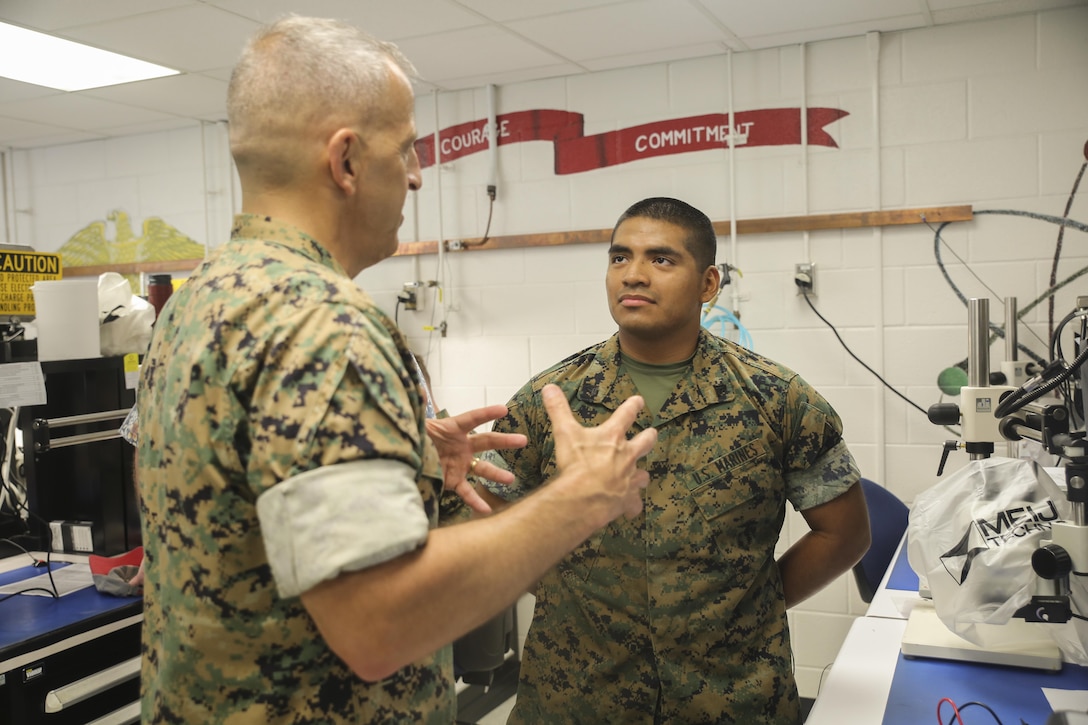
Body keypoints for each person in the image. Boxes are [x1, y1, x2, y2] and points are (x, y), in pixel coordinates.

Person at [135, 16, 657, 724]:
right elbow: (380, 625)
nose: (415, 174)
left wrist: (402, 464)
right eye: (406, 148)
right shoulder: (325, 323)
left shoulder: (199, 297)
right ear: (346, 160)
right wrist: (582, 499)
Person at [471, 197, 872, 723]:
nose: (633, 275)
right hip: (576, 695)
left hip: (731, 697)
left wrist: (747, 609)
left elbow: (844, 534)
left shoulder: (777, 399)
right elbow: (489, 502)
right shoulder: (551, 400)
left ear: (708, 285)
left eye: (661, 260)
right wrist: (555, 588)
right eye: (619, 258)